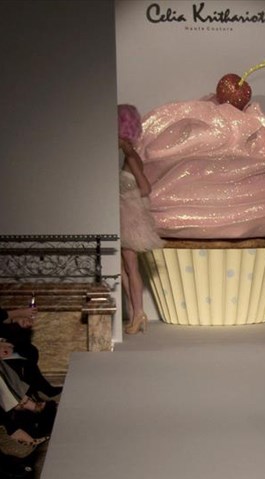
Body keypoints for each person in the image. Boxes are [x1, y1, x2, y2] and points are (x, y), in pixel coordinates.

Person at [117, 104, 164, 334]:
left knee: (130, 266)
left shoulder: (129, 154)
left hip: (129, 215)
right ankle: (134, 312)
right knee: (122, 267)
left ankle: (138, 313)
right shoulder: (125, 154)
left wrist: (125, 195)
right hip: (122, 214)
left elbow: (145, 187)